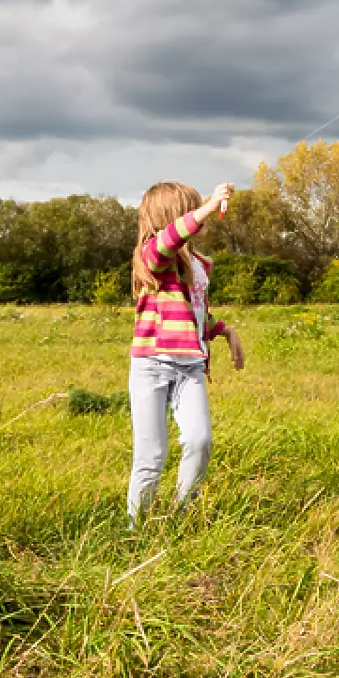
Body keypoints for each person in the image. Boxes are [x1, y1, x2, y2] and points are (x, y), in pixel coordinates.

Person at [126, 180, 245, 526]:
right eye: (190, 208)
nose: (199, 214)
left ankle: (182, 515)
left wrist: (224, 331)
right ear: (172, 216)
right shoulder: (152, 256)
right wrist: (207, 207)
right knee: (151, 456)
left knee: (200, 441)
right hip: (151, 367)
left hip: (189, 368)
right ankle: (136, 529)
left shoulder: (197, 264)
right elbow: (168, 241)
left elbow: (192, 316)